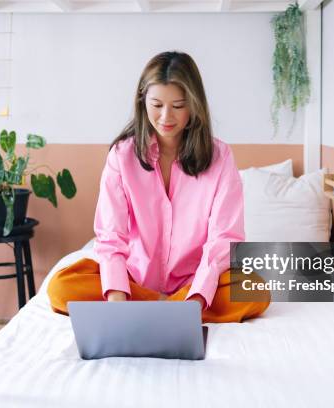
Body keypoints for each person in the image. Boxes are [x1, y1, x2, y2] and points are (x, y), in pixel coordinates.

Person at [47, 51, 270, 323]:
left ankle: (165, 310)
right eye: (157, 104)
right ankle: (165, 310)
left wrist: (197, 296)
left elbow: (224, 238)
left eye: (178, 106)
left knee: (256, 289)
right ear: (143, 101)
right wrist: (117, 299)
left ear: (194, 105)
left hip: (195, 282)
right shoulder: (122, 156)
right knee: (61, 286)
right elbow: (110, 236)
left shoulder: (220, 157)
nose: (166, 117)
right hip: (134, 282)